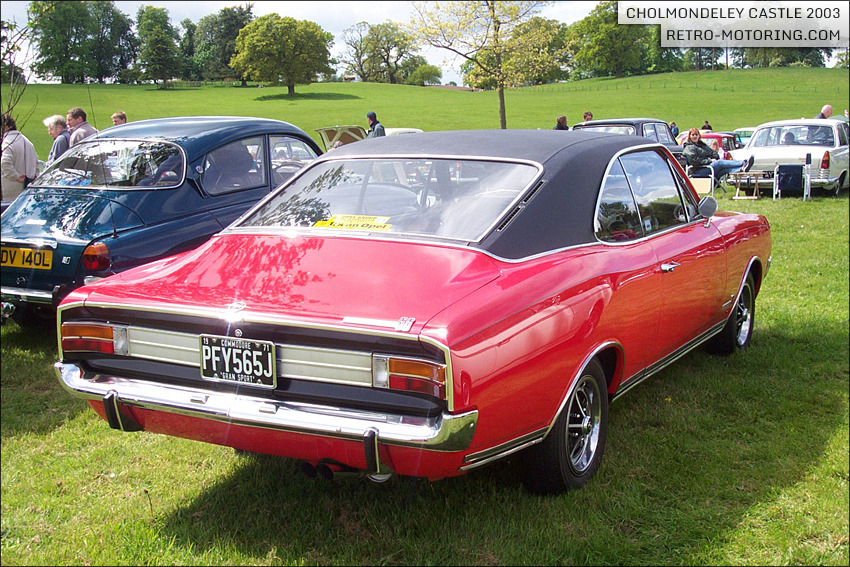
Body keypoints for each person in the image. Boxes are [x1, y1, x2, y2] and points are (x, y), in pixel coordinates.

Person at [683, 128, 753, 183]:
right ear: (689, 136)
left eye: (696, 134)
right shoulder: (689, 147)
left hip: (708, 167)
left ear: (699, 136)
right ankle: (743, 163)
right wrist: (709, 160)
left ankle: (741, 169)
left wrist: (712, 158)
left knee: (724, 170)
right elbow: (694, 161)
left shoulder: (702, 145)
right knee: (720, 163)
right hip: (698, 171)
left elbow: (714, 153)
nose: (695, 136)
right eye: (693, 135)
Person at [1, 113, 39, 203]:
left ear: (6, 127)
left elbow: (5, 163)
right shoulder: (28, 142)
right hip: (27, 189)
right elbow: (36, 164)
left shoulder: (7, 142)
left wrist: (16, 176)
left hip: (9, 191)